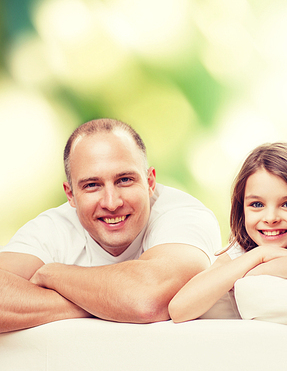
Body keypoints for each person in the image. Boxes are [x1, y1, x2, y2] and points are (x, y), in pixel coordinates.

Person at [0, 118, 221, 333]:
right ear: (71, 195)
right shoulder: (53, 228)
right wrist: (106, 303)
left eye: (124, 180)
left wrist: (52, 274)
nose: (112, 202)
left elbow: (146, 300)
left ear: (150, 182)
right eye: (92, 185)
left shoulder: (185, 216)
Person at [169, 142, 287, 323]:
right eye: (257, 205)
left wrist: (264, 263)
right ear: (242, 208)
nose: (270, 218)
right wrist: (259, 254)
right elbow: (179, 309)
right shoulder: (239, 255)